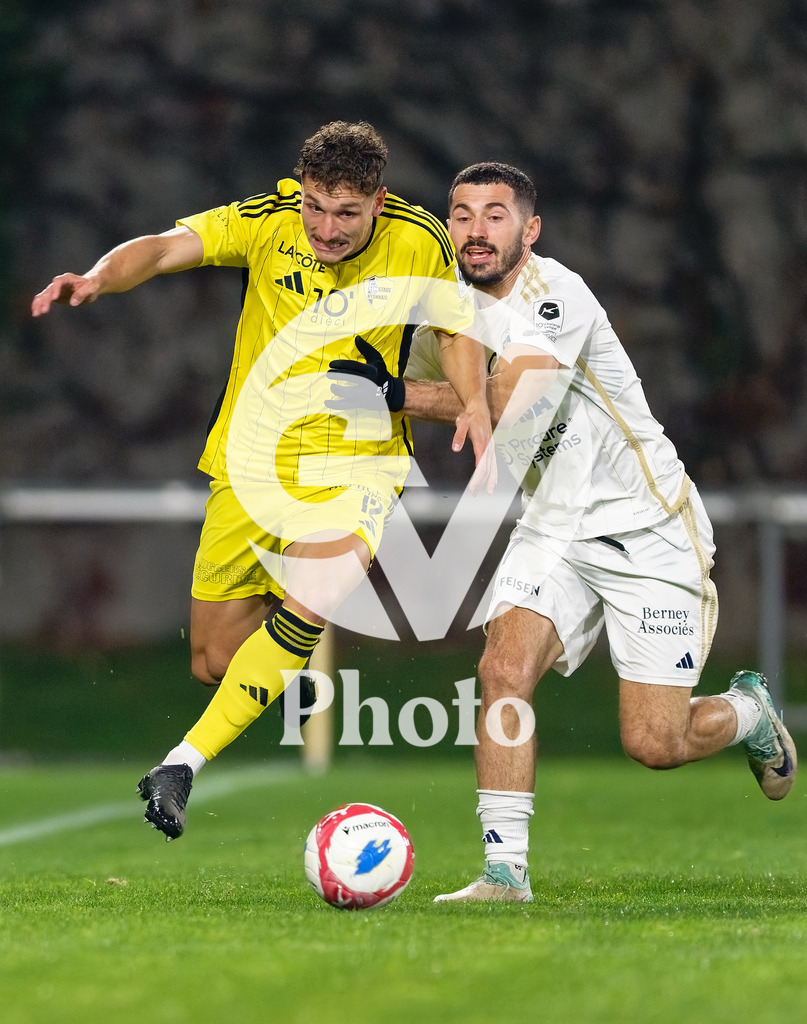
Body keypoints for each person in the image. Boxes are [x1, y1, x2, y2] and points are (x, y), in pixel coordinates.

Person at [330, 161, 797, 903]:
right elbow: (417, 390)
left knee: (654, 743)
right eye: (460, 214)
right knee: (501, 672)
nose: (475, 230)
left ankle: (748, 714)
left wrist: (385, 392)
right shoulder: (445, 315)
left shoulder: (556, 295)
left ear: (528, 229)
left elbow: (506, 397)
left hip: (646, 529)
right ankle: (503, 872)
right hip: (552, 527)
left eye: (494, 214)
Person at [31, 121, 491, 840]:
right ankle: (287, 662)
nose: (325, 228)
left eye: (345, 213)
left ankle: (180, 764)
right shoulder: (268, 222)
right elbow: (160, 248)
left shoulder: (419, 239)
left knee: (311, 595)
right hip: (249, 464)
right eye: (314, 205)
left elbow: (456, 331)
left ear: (378, 200)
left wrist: (473, 405)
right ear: (299, 191)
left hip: (354, 463)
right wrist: (97, 277)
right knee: (216, 660)